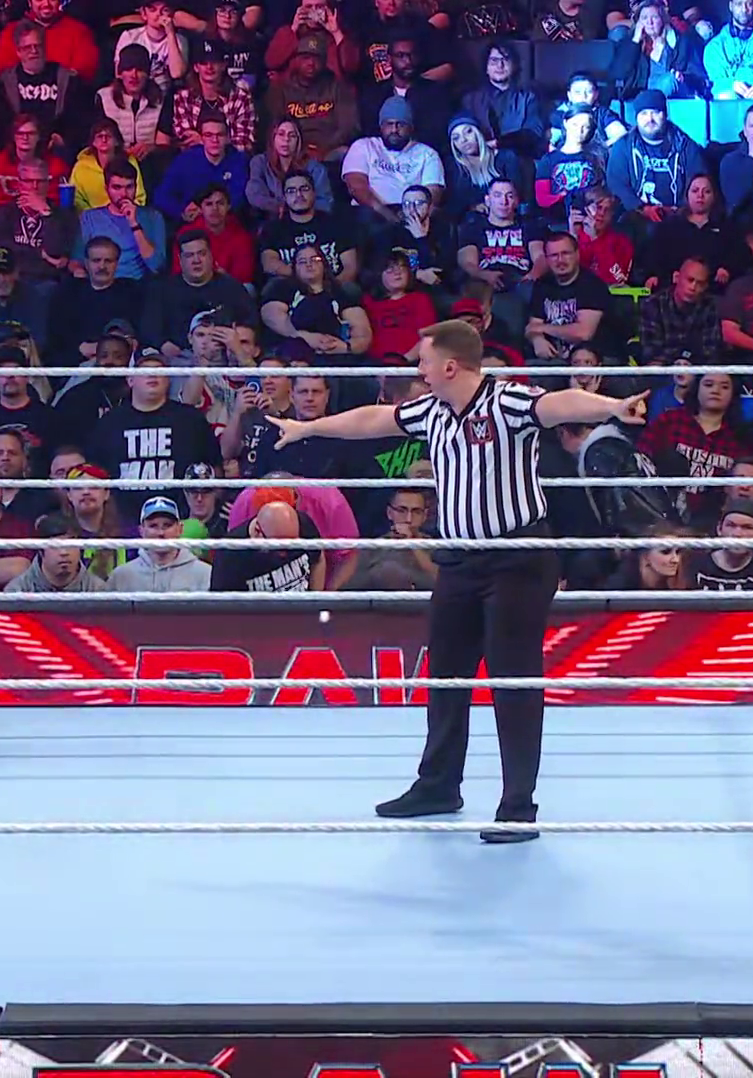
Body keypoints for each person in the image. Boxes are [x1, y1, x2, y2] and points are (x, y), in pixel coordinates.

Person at [264, 319, 646, 843]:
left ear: (449, 365)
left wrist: (612, 408)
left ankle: (518, 806)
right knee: (445, 674)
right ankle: (439, 786)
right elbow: (376, 419)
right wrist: (308, 428)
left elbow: (559, 405)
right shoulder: (431, 410)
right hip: (459, 560)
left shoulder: (507, 401)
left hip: (516, 557)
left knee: (512, 679)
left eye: (424, 360)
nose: (418, 368)